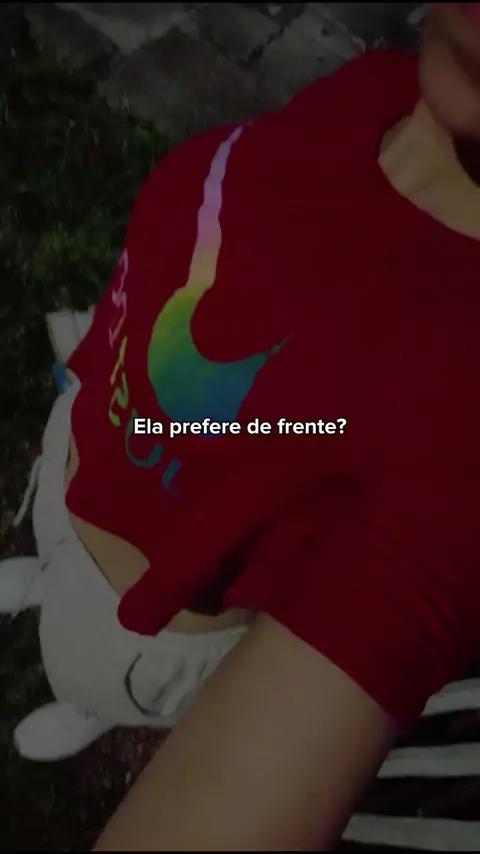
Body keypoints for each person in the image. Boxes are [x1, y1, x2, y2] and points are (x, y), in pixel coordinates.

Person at [2, 1, 480, 849]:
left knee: (87, 666)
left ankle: (90, 703)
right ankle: (48, 578)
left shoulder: (461, 422)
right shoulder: (373, 88)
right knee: (61, 541)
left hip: (144, 632)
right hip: (88, 446)